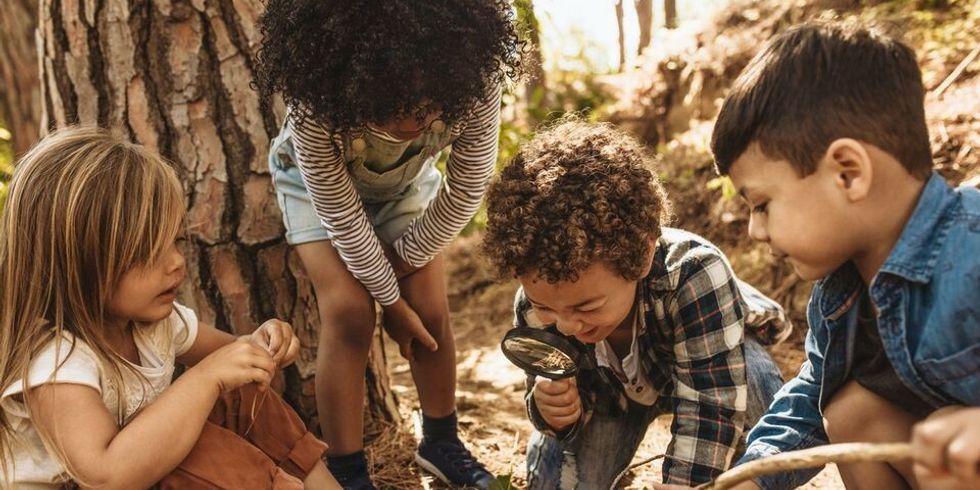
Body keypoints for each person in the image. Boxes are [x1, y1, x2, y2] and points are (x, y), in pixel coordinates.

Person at [252, 1, 522, 488]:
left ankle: (442, 443)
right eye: (394, 106)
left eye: (427, 107)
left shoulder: (475, 77)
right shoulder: (316, 100)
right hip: (315, 192)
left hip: (406, 188)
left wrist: (401, 271)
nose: (412, 124)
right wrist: (389, 303)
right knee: (351, 313)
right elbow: (340, 216)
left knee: (431, 311)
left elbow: (466, 188)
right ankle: (348, 470)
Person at [709, 20, 980, 490]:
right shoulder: (840, 296)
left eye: (762, 204)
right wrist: (751, 478)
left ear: (848, 173)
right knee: (850, 410)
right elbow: (811, 398)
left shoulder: (971, 244)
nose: (755, 230)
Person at [0, 127, 338, 490]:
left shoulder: (153, 324)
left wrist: (261, 345)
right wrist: (205, 378)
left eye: (176, 240)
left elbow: (235, 357)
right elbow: (106, 476)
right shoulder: (57, 363)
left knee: (242, 392)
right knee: (189, 451)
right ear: (74, 264)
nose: (177, 262)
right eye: (147, 250)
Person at [481, 118, 792, 488]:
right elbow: (545, 390)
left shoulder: (693, 272)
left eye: (586, 307)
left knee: (753, 381)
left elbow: (711, 405)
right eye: (547, 308)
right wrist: (553, 412)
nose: (564, 326)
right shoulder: (537, 304)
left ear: (642, 257)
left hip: (707, 369)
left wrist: (685, 484)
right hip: (612, 400)